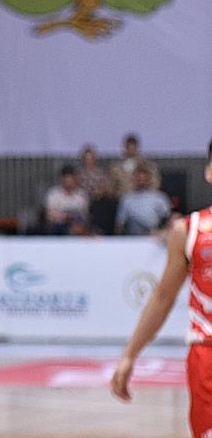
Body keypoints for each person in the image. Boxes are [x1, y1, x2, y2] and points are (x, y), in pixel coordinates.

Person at [111, 141, 212, 438]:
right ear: (209, 172)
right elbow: (162, 298)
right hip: (207, 356)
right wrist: (130, 354)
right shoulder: (190, 231)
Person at [116, 165, 173, 236]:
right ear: (133, 180)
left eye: (143, 179)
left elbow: (168, 220)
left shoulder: (160, 197)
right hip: (133, 238)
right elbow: (120, 224)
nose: (141, 181)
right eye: (138, 179)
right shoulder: (126, 199)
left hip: (155, 237)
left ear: (149, 179)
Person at [43, 165, 89, 234]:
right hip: (58, 227)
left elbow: (85, 215)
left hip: (77, 227)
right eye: (66, 178)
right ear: (62, 179)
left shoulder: (81, 195)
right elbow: (49, 216)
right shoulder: (54, 194)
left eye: (71, 178)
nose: (68, 181)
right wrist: (64, 217)